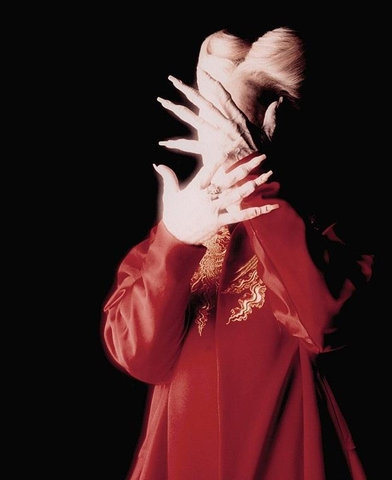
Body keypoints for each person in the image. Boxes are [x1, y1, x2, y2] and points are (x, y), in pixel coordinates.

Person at [100, 26, 374, 480]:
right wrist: (174, 240)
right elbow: (139, 355)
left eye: (223, 116)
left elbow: (324, 323)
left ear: (273, 118)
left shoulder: (330, 230)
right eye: (201, 111)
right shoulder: (181, 223)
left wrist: (254, 183)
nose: (207, 132)